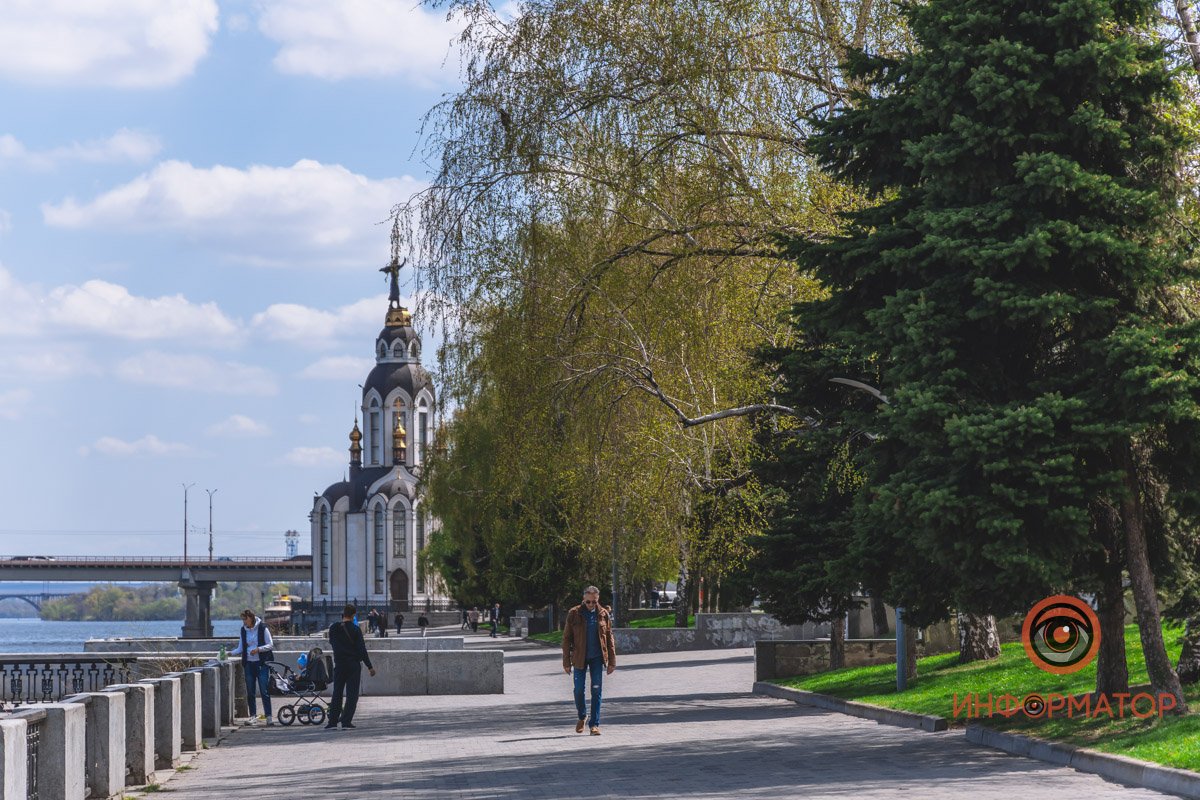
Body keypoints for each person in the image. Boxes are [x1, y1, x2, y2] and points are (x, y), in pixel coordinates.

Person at [562, 585, 616, 735]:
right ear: (583, 600)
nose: (591, 604)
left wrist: (612, 661)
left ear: (598, 600)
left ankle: (594, 725)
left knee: (596, 690)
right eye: (588, 602)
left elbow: (609, 638)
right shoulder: (574, 614)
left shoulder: (603, 614)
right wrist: (566, 662)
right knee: (578, 690)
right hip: (579, 657)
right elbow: (566, 639)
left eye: (594, 601)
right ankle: (582, 716)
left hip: (597, 658)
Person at [325, 604, 376, 730]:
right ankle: (346, 721)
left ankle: (332, 722)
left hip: (339, 664)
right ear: (353, 615)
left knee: (337, 693)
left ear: (343, 614)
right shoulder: (355, 629)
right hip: (353, 665)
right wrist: (370, 666)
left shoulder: (334, 628)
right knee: (352, 694)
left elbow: (331, 642)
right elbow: (362, 650)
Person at [229, 608, 275, 726]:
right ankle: (253, 716)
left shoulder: (262, 628)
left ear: (251, 618)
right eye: (243, 620)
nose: (244, 622)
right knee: (250, 692)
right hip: (249, 664)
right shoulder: (243, 630)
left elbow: (270, 645)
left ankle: (269, 716)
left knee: (264, 690)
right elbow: (240, 648)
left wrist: (258, 649)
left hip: (261, 663)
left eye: (245, 619)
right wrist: (230, 653)